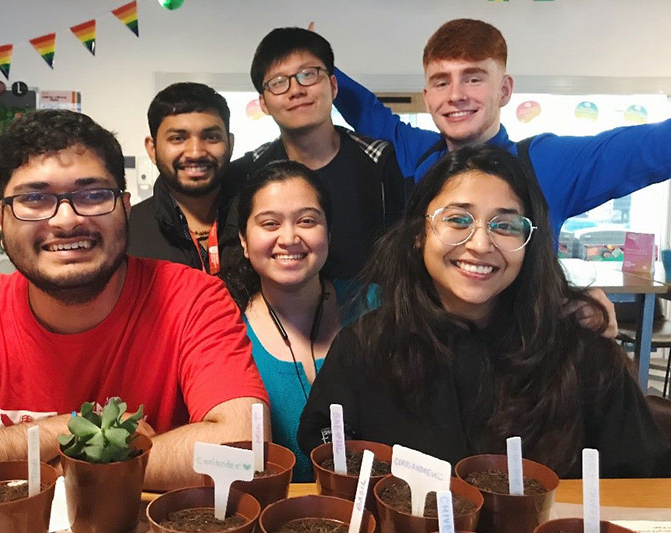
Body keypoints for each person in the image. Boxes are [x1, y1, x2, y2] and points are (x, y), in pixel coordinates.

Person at [0, 109, 269, 512]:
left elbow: (243, 446)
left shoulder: (193, 299)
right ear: (0, 217)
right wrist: (56, 434)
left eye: (93, 194)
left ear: (125, 207)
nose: (66, 220)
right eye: (34, 198)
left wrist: (58, 469)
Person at [298, 145, 671, 478]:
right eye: (458, 219)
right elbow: (327, 444)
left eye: (505, 225)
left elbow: (642, 479)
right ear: (418, 233)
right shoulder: (366, 345)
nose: (480, 244)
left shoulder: (581, 354)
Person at [331, 18, 671, 246]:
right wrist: (315, 61)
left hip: (520, 352)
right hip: (425, 348)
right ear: (427, 97)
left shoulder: (546, 164)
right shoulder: (415, 151)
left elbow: (648, 148)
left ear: (505, 90)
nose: (455, 95)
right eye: (441, 81)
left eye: (474, 78)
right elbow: (364, 108)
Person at [229, 27, 408, 280]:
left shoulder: (381, 161)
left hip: (372, 315)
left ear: (333, 86)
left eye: (308, 75)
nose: (296, 90)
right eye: (278, 82)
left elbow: (403, 259)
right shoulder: (248, 173)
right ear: (264, 103)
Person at [221, 160, 360, 481]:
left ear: (329, 231)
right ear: (243, 240)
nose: (289, 238)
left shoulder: (374, 305)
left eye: (307, 220)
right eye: (269, 224)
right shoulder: (225, 329)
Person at [128, 82, 240, 274]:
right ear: (152, 149)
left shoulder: (259, 221)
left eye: (211, 137)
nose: (195, 153)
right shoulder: (127, 232)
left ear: (230, 144)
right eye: (178, 138)